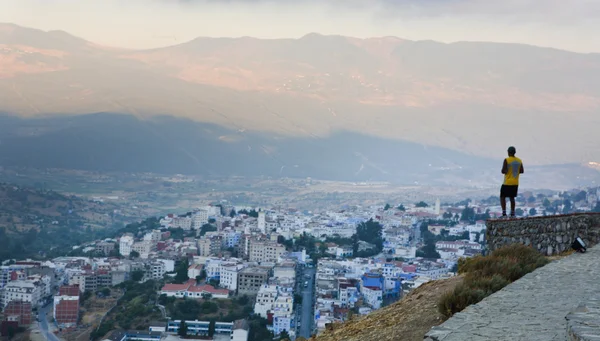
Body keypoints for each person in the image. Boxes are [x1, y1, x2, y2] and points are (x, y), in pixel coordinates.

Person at [500, 146, 524, 218]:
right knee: (512, 198)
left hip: (507, 182)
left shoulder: (506, 160)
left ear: (508, 152)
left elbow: (503, 171)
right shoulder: (519, 161)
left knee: (502, 197)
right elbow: (522, 171)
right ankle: (512, 213)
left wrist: (507, 171)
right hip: (515, 182)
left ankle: (504, 213)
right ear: (514, 152)